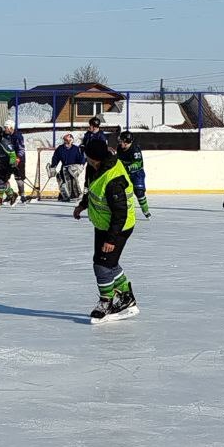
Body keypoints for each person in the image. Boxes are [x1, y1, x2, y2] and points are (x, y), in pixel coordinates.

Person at [73, 136, 139, 323]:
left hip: (118, 228)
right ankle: (126, 297)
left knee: (102, 266)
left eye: (87, 157)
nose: (86, 160)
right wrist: (82, 205)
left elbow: (120, 213)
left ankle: (106, 302)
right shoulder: (94, 168)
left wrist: (111, 239)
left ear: (95, 158)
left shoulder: (113, 179)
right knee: (107, 263)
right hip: (103, 224)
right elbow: (91, 189)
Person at [116, 131, 151, 218]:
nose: (120, 142)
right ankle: (124, 211)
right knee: (122, 192)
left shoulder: (135, 149)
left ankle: (145, 210)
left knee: (139, 192)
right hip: (125, 174)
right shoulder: (119, 148)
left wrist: (127, 168)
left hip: (137, 174)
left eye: (121, 141)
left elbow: (138, 164)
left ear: (126, 141)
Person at [0, 124, 22, 207]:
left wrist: (13, 165)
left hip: (8, 165)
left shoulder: (4, 142)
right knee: (0, 182)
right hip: (1, 165)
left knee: (1, 182)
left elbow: (12, 154)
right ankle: (12, 195)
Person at [48, 133, 85, 201]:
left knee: (73, 181)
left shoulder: (76, 149)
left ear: (71, 140)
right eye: (65, 140)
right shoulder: (60, 148)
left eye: (67, 140)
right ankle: (63, 195)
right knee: (60, 178)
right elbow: (55, 158)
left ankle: (75, 195)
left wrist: (81, 166)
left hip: (73, 169)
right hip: (64, 167)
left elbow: (81, 159)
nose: (66, 142)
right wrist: (53, 166)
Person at [3, 118, 29, 202]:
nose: (5, 129)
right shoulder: (4, 136)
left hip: (19, 160)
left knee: (19, 179)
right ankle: (10, 195)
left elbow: (21, 149)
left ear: (11, 128)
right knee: (3, 179)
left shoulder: (18, 136)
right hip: (8, 161)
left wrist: (17, 159)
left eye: (6, 127)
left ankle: (22, 195)